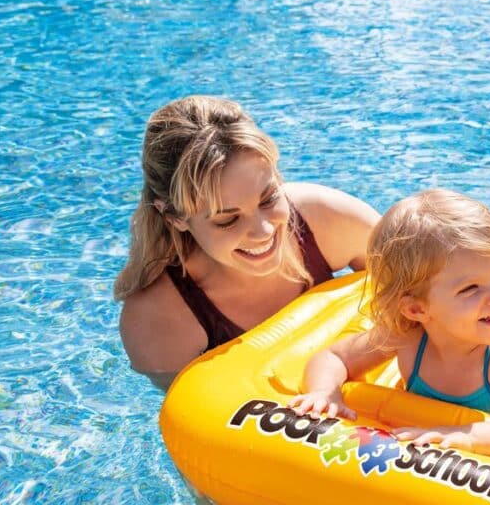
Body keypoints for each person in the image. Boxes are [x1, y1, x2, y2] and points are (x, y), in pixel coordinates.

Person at [115, 95, 380, 390]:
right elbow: (188, 412)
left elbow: (418, 290)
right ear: (175, 217)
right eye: (227, 219)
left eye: (269, 198)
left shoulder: (326, 221)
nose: (263, 231)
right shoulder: (160, 319)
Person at [289, 188, 490, 459]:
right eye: (471, 289)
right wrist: (325, 394)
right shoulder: (406, 336)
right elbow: (334, 357)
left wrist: (467, 437)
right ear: (416, 309)